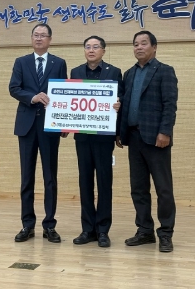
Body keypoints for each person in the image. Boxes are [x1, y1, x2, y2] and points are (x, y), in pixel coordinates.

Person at [117, 30, 178, 253]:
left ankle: (166, 233)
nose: (139, 47)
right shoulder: (129, 74)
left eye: (143, 43)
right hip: (134, 138)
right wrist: (120, 132)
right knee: (138, 188)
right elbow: (124, 105)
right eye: (136, 44)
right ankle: (144, 231)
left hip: (156, 138)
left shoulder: (165, 71)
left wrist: (165, 132)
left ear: (154, 47)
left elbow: (170, 105)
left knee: (163, 188)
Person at [9, 23, 68, 243]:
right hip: (26, 126)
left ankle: (49, 225)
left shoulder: (58, 63)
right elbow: (14, 88)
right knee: (27, 177)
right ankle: (27, 224)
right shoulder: (21, 62)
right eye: (36, 35)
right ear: (31, 38)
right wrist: (32, 97)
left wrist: (63, 123)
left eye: (43, 35)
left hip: (50, 126)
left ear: (50, 39)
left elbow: (64, 93)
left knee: (50, 177)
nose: (39, 38)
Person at [71, 36, 123, 248]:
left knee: (104, 181)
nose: (91, 50)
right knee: (85, 182)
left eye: (95, 47)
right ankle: (87, 229)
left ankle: (103, 230)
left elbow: (121, 99)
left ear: (103, 51)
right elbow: (71, 102)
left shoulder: (114, 72)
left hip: (104, 137)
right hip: (82, 136)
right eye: (87, 47)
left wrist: (118, 106)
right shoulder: (75, 72)